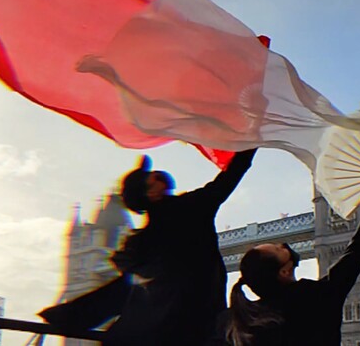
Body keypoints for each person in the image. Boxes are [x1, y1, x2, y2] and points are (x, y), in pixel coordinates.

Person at [40, 148, 257, 346]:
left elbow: (120, 292)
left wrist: (66, 316)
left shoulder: (141, 241)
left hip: (161, 329)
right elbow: (232, 175)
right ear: (151, 193)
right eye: (150, 177)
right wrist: (251, 141)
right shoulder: (193, 207)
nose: (156, 173)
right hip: (200, 324)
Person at [208, 170, 360, 346]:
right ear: (284, 271)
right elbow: (358, 247)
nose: (283, 245)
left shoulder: (238, 323)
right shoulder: (321, 297)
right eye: (277, 248)